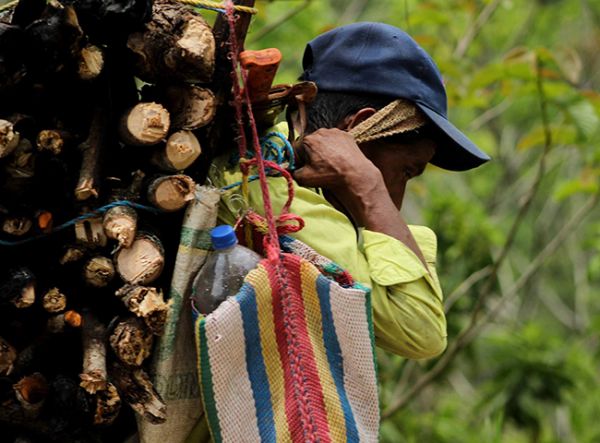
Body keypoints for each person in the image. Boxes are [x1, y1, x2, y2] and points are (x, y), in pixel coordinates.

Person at [210, 21, 490, 359]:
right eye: (406, 171)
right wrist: (368, 187)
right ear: (357, 130)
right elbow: (422, 331)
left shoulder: (272, 155)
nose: (396, 201)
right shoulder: (279, 198)